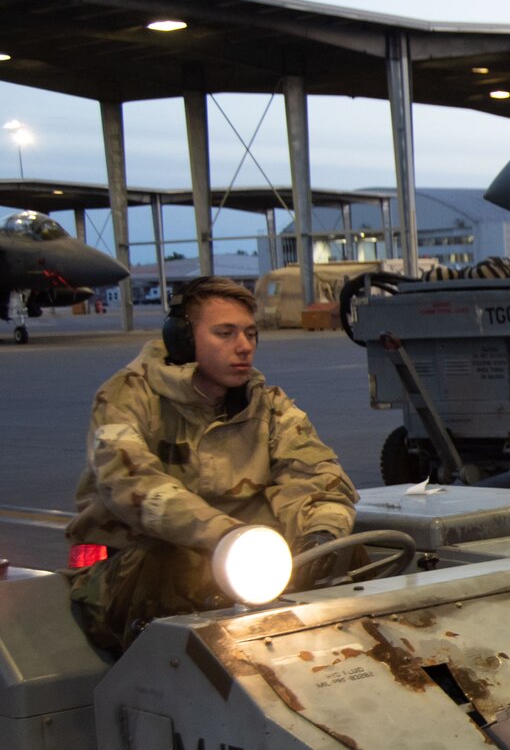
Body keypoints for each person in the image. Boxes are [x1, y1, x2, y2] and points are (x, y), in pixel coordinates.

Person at [67, 276, 357, 653]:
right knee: (174, 565)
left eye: (251, 334)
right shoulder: (128, 396)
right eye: (225, 333)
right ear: (182, 339)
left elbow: (317, 476)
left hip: (244, 565)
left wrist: (322, 537)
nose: (244, 347)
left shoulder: (266, 405)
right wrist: (227, 537)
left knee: (349, 557)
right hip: (129, 571)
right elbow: (130, 482)